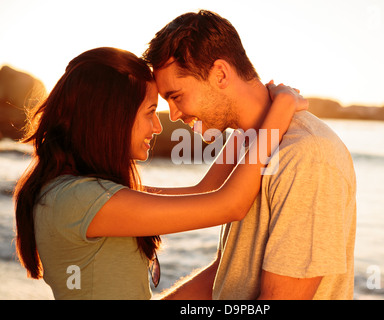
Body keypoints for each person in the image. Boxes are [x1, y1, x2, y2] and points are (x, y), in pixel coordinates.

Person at [13, 47, 307, 300]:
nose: (157, 126)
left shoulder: (78, 192)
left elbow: (202, 191)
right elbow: (230, 204)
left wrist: (248, 125)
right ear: (112, 117)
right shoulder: (79, 199)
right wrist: (282, 106)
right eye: (149, 112)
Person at [142, 10, 357, 300]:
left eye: (176, 96)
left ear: (220, 74)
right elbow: (228, 271)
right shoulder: (247, 141)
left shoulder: (307, 156)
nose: (175, 114)